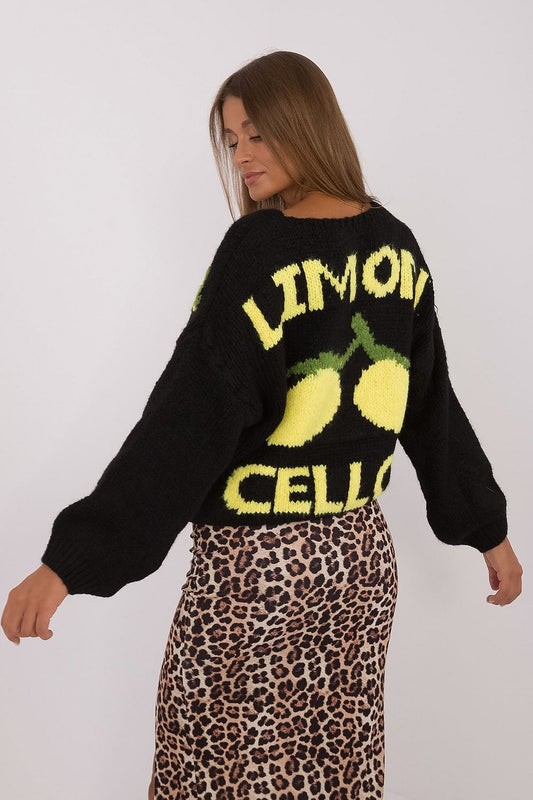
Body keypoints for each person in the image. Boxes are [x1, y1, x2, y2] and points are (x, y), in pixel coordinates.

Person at [1, 50, 523, 800]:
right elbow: (431, 404)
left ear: (304, 124)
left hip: (256, 570)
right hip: (359, 563)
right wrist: (487, 530)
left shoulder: (258, 251)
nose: (242, 154)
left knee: (213, 772)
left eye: (257, 133)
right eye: (231, 139)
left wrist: (73, 560)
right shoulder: (396, 245)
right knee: (334, 771)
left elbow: (187, 420)